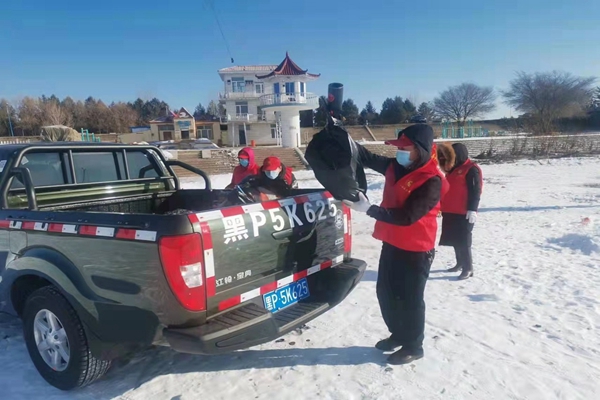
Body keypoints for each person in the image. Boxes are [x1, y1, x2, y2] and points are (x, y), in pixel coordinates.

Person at [346, 124, 448, 365]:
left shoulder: (431, 180)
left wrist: (369, 209)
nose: (400, 152)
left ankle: (414, 345)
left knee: (410, 299)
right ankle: (399, 334)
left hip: (416, 249)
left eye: (405, 148)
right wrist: (341, 135)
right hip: (392, 242)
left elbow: (407, 217)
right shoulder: (395, 166)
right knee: (387, 293)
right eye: (398, 148)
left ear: (421, 150)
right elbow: (365, 156)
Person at [439, 143, 483, 280]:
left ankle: (468, 268)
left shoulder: (471, 169)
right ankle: (459, 263)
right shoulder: (452, 169)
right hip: (450, 210)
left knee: (463, 240)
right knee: (455, 239)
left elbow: (475, 191)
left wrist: (472, 209)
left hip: (464, 212)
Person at [230, 156, 297, 203]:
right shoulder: (261, 175)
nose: (270, 173)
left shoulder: (289, 178)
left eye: (273, 170)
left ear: (280, 168)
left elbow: (294, 194)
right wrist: (245, 184)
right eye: (267, 171)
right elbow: (250, 181)